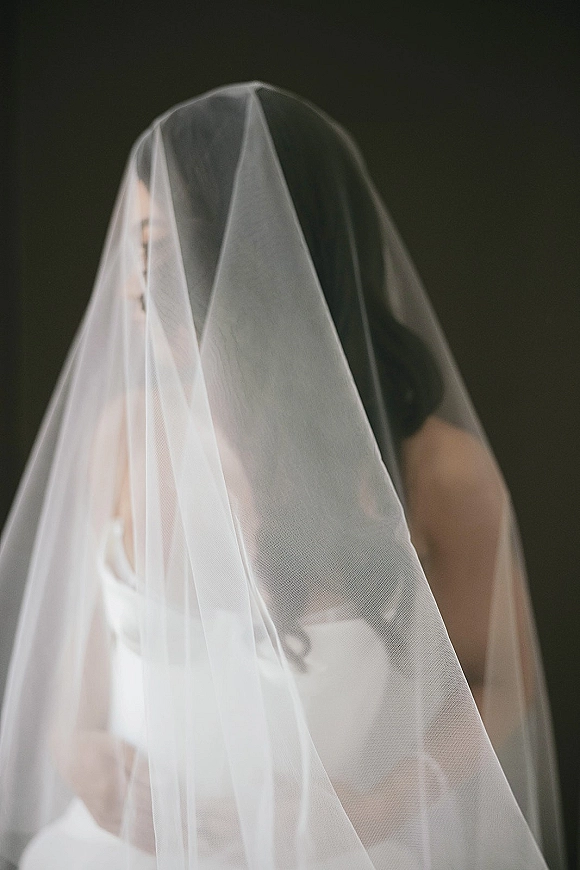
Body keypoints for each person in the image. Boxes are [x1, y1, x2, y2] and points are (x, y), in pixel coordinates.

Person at [0, 82, 564, 869]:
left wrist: (373, 809)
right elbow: (80, 670)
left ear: (260, 249)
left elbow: (499, 683)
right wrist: (77, 752)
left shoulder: (438, 474)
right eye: (127, 249)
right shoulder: (123, 436)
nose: (130, 286)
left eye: (154, 247)